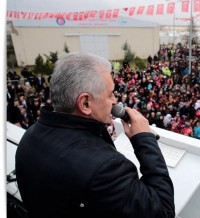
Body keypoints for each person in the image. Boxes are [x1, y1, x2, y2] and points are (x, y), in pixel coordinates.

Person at [15, 53, 175, 218]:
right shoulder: (106, 168)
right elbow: (163, 211)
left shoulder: (30, 136)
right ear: (85, 103)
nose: (115, 101)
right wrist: (144, 139)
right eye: (110, 94)